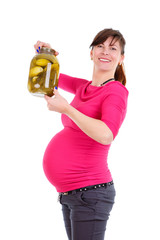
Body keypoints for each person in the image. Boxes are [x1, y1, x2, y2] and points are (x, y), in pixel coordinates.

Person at [34, 28, 129, 240]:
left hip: (91, 192)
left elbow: (106, 135)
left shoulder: (115, 91)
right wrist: (45, 55)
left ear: (121, 58)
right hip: (74, 194)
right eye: (100, 46)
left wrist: (67, 108)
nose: (105, 52)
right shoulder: (83, 87)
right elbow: (48, 77)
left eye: (113, 48)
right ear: (91, 53)